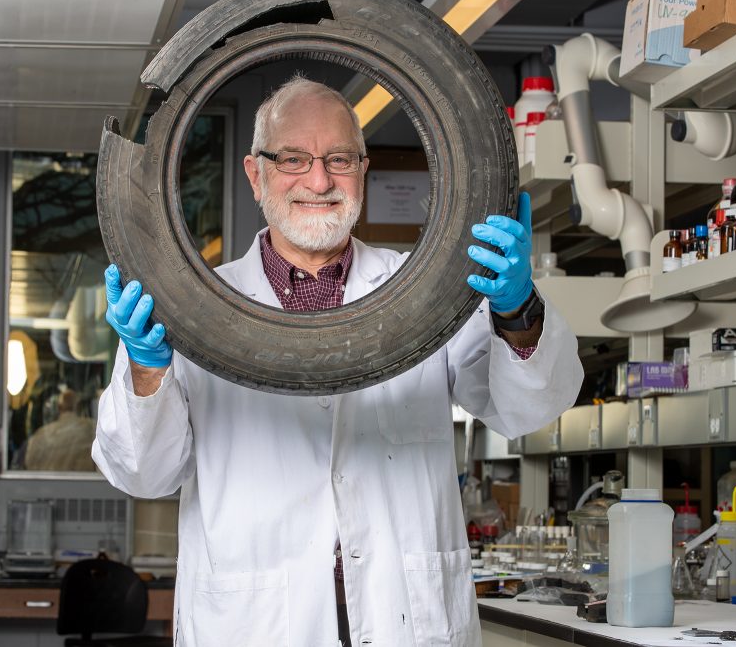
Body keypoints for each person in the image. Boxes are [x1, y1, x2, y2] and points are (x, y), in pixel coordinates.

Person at [92, 76, 583, 647]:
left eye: (340, 159)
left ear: (363, 169)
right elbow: (143, 474)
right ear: (256, 174)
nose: (320, 180)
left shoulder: (426, 289)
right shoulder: (194, 309)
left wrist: (517, 307)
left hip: (407, 619)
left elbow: (526, 410)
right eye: (294, 159)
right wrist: (148, 367)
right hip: (256, 623)